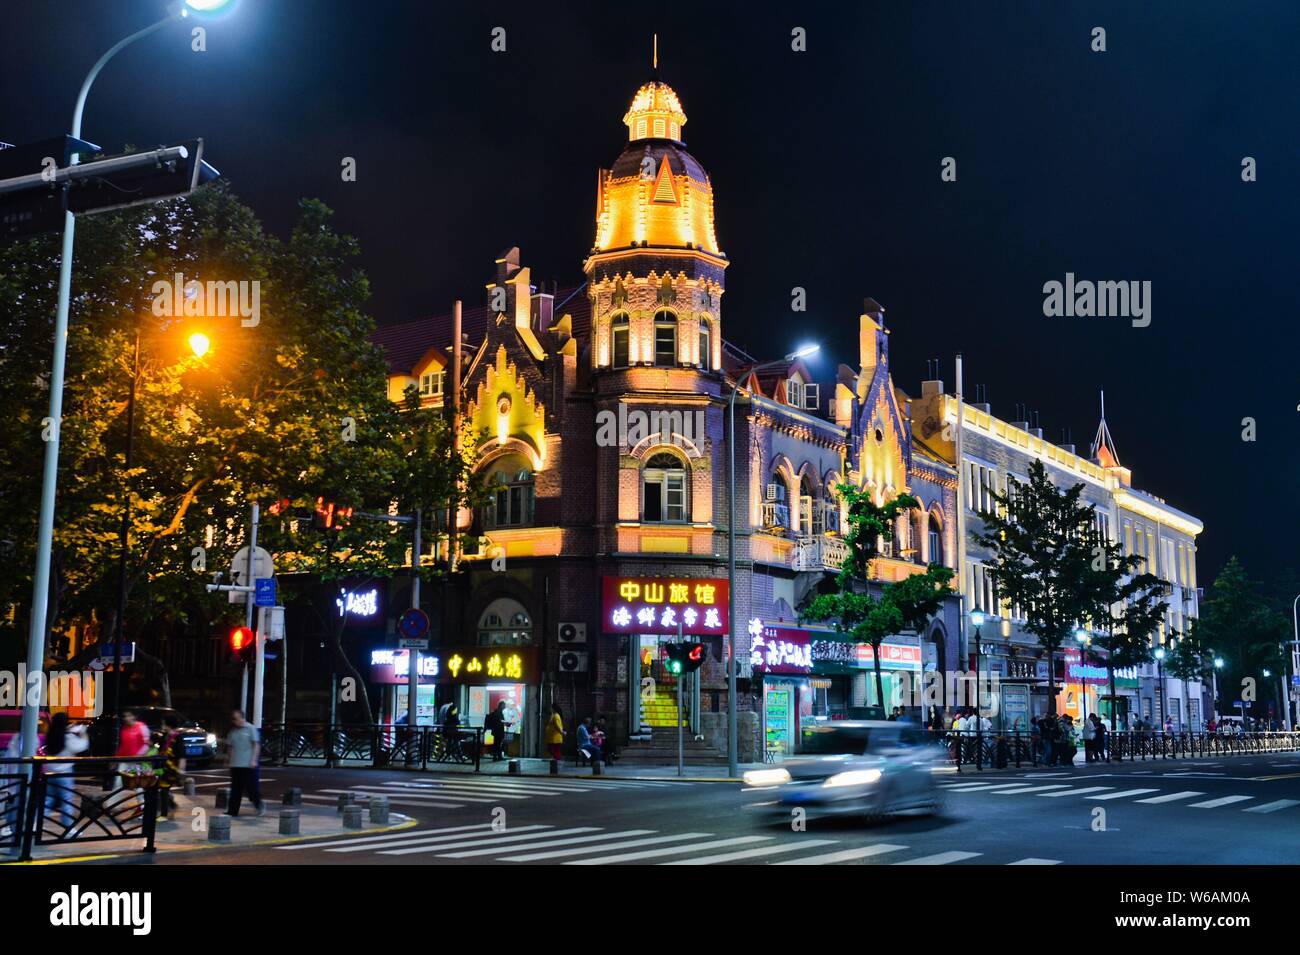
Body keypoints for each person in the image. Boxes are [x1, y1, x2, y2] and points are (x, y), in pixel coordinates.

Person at [43, 714, 88, 826]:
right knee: (66, 802)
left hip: (49, 772)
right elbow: (82, 746)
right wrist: (83, 733)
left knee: (47, 800)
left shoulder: (50, 736)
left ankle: (35, 825)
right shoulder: (68, 738)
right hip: (64, 773)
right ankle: (68, 828)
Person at [225, 710, 262, 817]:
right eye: (233, 719)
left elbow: (256, 745)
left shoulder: (250, 729)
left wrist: (254, 760)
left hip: (248, 764)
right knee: (235, 789)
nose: (235, 721)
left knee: (251, 788)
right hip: (235, 764)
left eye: (236, 719)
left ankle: (258, 805)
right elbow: (230, 747)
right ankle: (232, 811)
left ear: (242, 718)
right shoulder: (232, 731)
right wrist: (228, 760)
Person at [157, 712, 187, 819]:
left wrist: (181, 769)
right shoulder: (165, 736)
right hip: (163, 767)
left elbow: (182, 754)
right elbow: (160, 750)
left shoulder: (178, 737)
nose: (162, 725)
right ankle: (171, 805)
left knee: (164, 789)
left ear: (168, 724)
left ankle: (164, 815)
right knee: (162, 789)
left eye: (163, 723)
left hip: (171, 768)